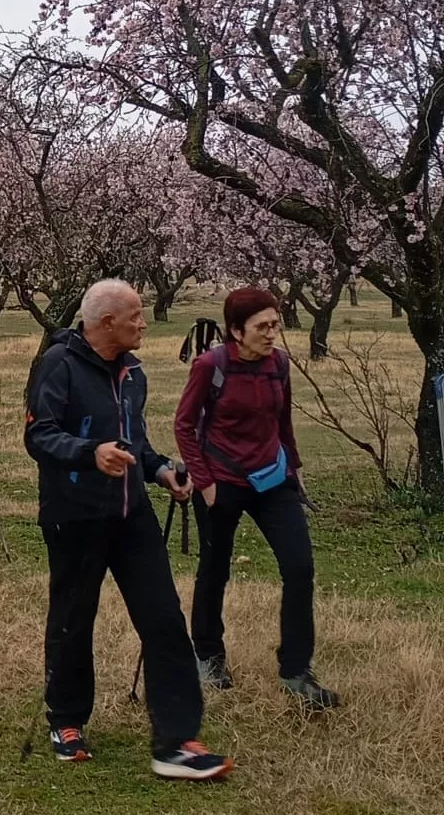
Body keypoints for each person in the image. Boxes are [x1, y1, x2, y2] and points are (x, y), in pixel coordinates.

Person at [26, 278, 232, 780]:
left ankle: (177, 741)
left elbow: (133, 441)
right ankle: (67, 720)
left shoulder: (134, 373)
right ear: (105, 323)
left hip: (130, 514)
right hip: (74, 513)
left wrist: (161, 470)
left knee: (163, 618)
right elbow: (39, 434)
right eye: (136, 315)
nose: (145, 322)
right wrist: (89, 452)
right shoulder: (59, 364)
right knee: (74, 618)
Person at [175, 287, 338, 710]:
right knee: (215, 571)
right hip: (222, 481)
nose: (272, 333)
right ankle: (209, 657)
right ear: (235, 330)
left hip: (273, 480)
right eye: (262, 326)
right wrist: (205, 482)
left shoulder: (278, 365)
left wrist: (295, 468)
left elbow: (283, 420)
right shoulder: (210, 366)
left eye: (275, 324)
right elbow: (184, 425)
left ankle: (297, 669)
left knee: (300, 567)